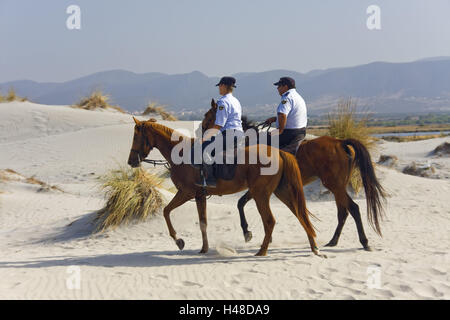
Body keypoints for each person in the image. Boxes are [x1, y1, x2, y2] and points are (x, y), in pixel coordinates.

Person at [195, 76, 243, 187]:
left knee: (205, 150)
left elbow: (218, 125)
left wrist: (204, 138)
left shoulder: (222, 102)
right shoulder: (236, 101)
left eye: (220, 86)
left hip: (229, 134)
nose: (219, 88)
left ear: (223, 86)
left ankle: (210, 180)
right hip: (240, 134)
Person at [264, 77, 307, 151]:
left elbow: (283, 115)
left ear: (285, 87)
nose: (277, 88)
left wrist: (280, 130)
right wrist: (275, 119)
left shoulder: (287, 98)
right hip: (300, 131)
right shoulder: (297, 96)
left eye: (279, 86)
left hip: (290, 133)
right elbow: (291, 115)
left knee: (262, 140)